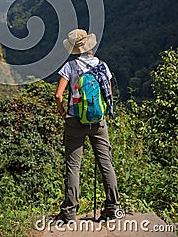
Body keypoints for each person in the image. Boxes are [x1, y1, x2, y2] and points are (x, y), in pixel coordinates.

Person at [55, 28, 119, 223]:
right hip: (98, 121)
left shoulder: (70, 67)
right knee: (105, 163)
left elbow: (58, 95)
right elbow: (108, 93)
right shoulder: (102, 65)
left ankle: (69, 213)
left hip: (75, 121)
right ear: (90, 46)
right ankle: (112, 208)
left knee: (73, 167)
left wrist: (64, 114)